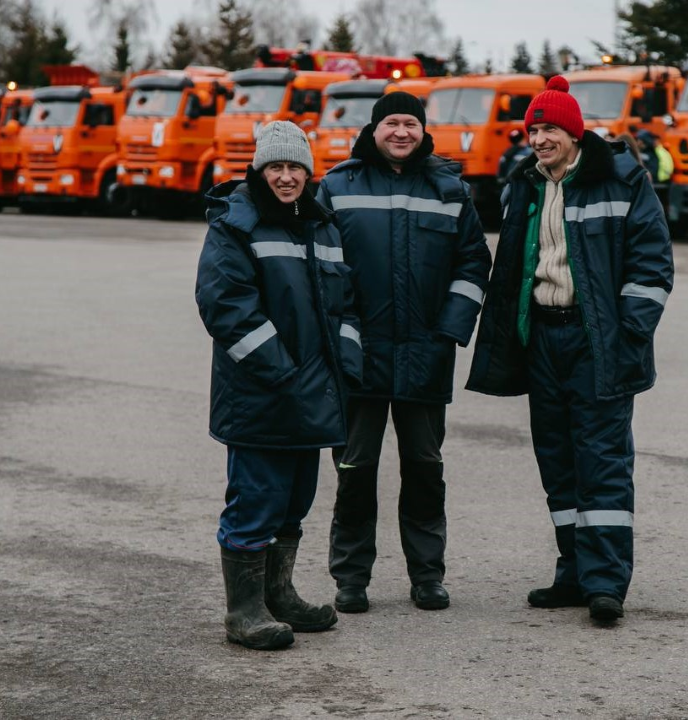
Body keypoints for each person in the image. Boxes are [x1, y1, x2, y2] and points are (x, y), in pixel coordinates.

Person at [466, 76, 674, 624]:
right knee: (557, 461)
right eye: (533, 129)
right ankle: (574, 574)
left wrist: (629, 330)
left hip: (596, 341)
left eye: (550, 128)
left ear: (575, 133)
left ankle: (606, 583)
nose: (539, 138)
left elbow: (652, 264)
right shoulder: (526, 185)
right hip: (544, 338)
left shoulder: (622, 180)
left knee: (601, 460)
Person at [316, 92, 491, 614]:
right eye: (391, 122)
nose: (401, 132)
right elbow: (322, 268)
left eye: (410, 123)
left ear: (422, 131)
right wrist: (341, 334)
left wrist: (448, 333)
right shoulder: (336, 187)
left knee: (424, 469)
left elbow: (473, 265)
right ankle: (350, 578)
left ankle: (427, 576)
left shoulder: (450, 189)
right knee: (354, 469)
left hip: (425, 357)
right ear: (374, 130)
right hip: (357, 359)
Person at [195, 121, 363, 650]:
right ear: (259, 170)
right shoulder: (235, 224)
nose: (286, 177)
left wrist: (348, 366)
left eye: (295, 167)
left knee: (295, 501)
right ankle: (243, 612)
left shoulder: (322, 225)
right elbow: (227, 308)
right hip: (262, 396)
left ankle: (278, 594)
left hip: (312, 395)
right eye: (276, 167)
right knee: (257, 500)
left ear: (308, 173)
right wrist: (284, 374)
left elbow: (347, 304)